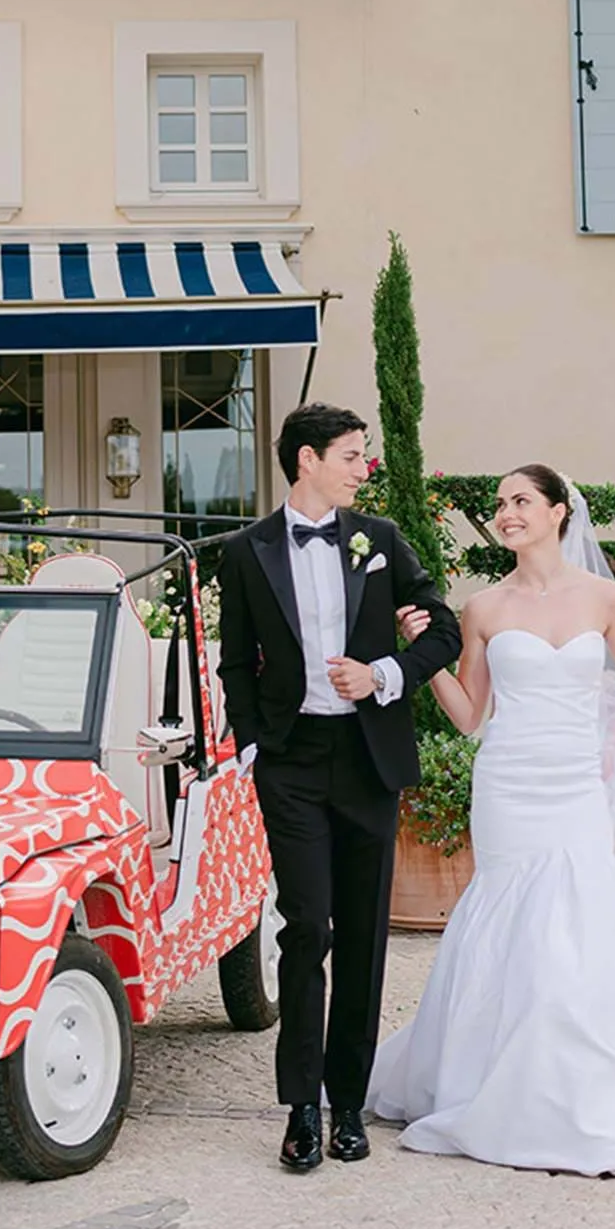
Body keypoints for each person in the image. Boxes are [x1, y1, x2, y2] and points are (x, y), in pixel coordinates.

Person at [371, 464, 615, 1177]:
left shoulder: (606, 597)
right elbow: (471, 715)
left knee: (575, 918)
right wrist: (426, 659)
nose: (506, 513)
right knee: (511, 915)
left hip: (577, 780)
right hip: (509, 783)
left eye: (521, 501)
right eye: (501, 504)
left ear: (557, 512)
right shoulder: (483, 606)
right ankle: (494, 1076)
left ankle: (576, 1082)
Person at [217, 404, 462, 1172]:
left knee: (361, 933)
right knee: (306, 928)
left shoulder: (380, 541)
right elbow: (233, 662)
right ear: (308, 461)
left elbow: (446, 630)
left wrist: (382, 675)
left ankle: (348, 1104)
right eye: (353, 455)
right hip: (291, 763)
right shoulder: (248, 550)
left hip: (367, 761)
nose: (364, 468)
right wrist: (255, 744)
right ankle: (300, 1109)